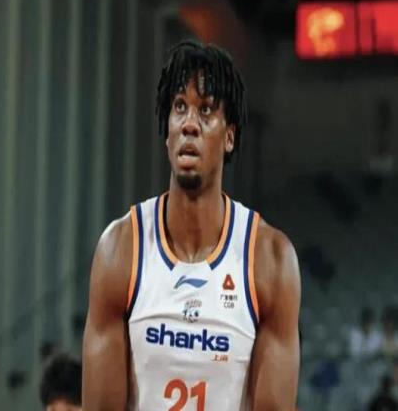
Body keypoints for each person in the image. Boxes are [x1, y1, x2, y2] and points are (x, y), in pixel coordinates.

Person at [82, 40, 301, 410]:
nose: (189, 124)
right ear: (167, 131)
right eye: (179, 107)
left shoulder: (271, 260)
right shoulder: (120, 249)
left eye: (206, 110)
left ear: (229, 136)